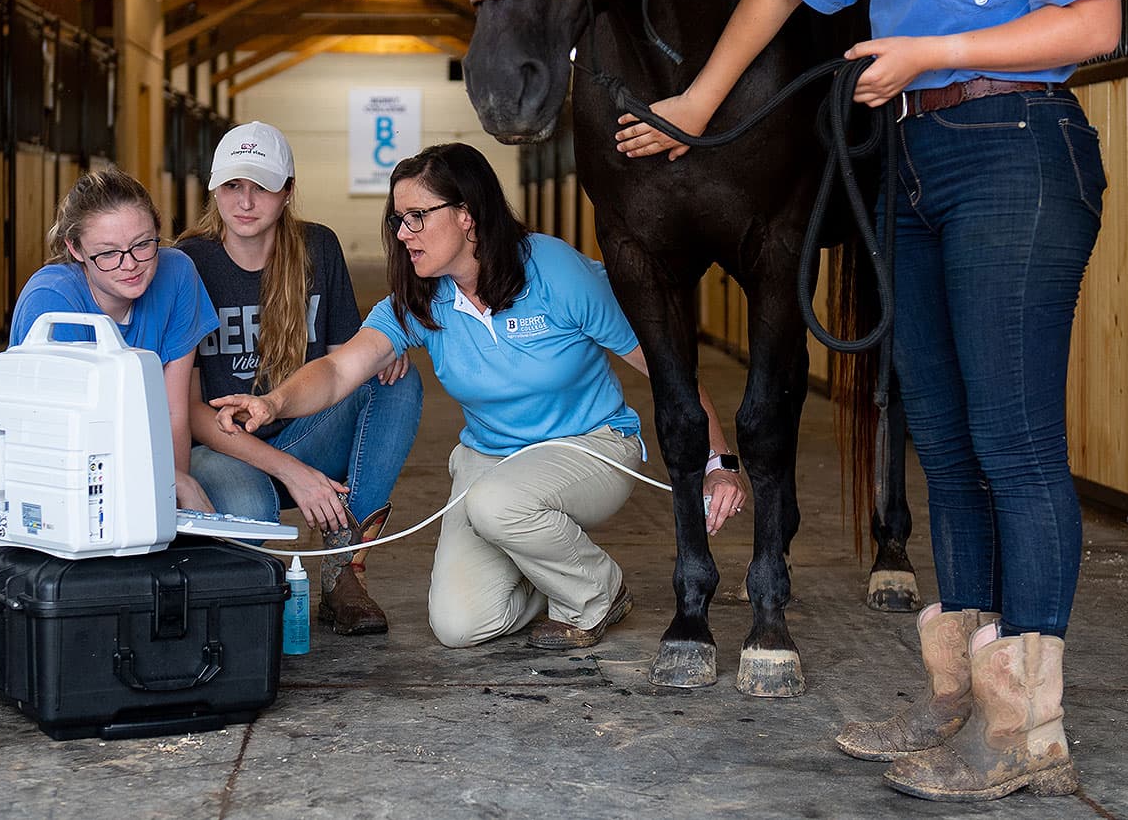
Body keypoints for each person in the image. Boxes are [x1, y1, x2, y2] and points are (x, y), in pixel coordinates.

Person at [614, 0, 1118, 802]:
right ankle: (961, 701)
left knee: (1014, 442)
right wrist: (694, 106)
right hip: (915, 158)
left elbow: (1090, 19)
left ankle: (1029, 731)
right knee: (937, 437)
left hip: (1017, 152)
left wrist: (932, 50)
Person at [209, 142, 746, 651]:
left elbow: (668, 369)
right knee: (460, 625)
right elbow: (338, 368)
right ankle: (537, 557)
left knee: (499, 504)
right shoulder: (422, 297)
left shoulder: (555, 271)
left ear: (466, 215)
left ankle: (597, 593)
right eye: (398, 220)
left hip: (591, 447)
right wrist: (274, 403)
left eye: (418, 216)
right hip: (492, 461)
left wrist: (718, 461)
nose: (403, 233)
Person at [179, 121, 424, 635]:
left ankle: (343, 570)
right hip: (222, 448)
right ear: (213, 188)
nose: (245, 203)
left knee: (395, 380)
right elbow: (191, 413)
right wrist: (291, 471)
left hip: (300, 432)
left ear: (288, 191)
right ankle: (232, 586)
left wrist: (378, 356)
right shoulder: (187, 263)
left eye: (262, 187)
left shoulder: (318, 248)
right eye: (232, 186)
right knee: (253, 506)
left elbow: (344, 368)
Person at [0, 168, 220, 526]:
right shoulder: (51, 299)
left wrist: (173, 499)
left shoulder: (177, 274)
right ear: (75, 248)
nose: (129, 264)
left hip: (107, 469)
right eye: (107, 253)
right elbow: (55, 441)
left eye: (143, 244)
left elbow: (173, 411)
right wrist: (165, 482)